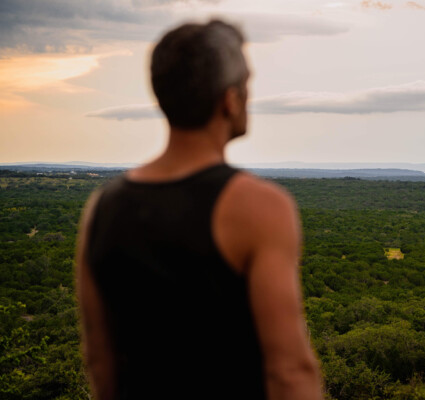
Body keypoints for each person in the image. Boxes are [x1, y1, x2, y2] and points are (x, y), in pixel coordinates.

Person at [76, 20, 323, 400]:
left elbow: (99, 361)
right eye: (246, 85)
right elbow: (289, 371)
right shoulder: (260, 207)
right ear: (229, 99)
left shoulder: (102, 207)